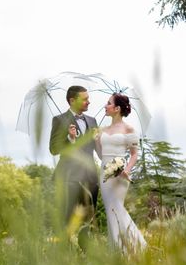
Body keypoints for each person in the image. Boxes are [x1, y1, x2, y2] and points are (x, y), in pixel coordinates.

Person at [49, 85, 99, 248]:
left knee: (89, 220)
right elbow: (54, 149)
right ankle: (65, 255)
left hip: (90, 178)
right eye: (85, 99)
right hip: (68, 178)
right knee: (67, 219)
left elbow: (96, 149)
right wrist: (69, 139)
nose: (88, 102)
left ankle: (86, 254)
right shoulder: (59, 120)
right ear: (72, 100)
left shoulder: (92, 121)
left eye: (88, 99)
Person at [96, 93, 147, 252]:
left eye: (108, 103)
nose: (105, 105)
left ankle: (138, 248)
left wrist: (126, 170)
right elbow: (100, 154)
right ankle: (116, 253)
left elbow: (134, 154)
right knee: (111, 212)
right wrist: (97, 140)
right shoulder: (103, 129)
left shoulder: (129, 129)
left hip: (120, 174)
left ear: (117, 108)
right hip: (104, 173)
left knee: (116, 209)